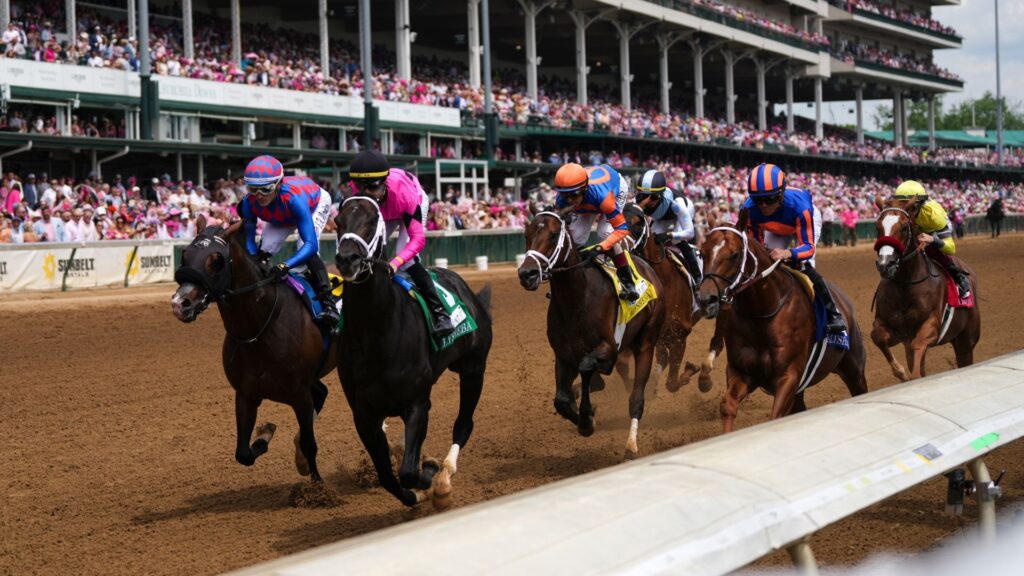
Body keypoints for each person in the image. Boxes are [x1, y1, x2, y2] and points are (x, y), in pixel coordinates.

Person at [347, 149, 455, 337]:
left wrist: (395, 263)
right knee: (367, 250)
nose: (365, 193)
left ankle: (440, 313)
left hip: (408, 203)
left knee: (407, 259)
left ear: (384, 183)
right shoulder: (356, 191)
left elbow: (418, 239)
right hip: (381, 211)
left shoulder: (404, 194)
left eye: (371, 187)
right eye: (360, 187)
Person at [742, 163, 845, 333]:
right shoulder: (749, 210)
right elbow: (757, 249)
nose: (763, 205)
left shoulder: (801, 207)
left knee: (804, 265)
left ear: (781, 194)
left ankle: (833, 314)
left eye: (769, 199)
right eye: (758, 200)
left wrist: (789, 253)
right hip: (776, 229)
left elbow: (808, 248)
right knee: (766, 263)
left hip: (802, 220)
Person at [238, 154, 340, 328]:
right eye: (253, 189)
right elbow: (249, 242)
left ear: (278, 184)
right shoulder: (249, 203)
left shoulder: (294, 199)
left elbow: (310, 244)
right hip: (282, 213)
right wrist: (255, 259)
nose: (260, 196)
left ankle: (329, 303)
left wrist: (284, 265)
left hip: (313, 204)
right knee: (264, 249)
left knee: (305, 248)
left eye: (266, 188)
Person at [553, 162, 639, 301]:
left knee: (605, 233)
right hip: (591, 196)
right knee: (576, 237)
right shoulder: (563, 199)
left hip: (614, 188)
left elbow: (622, 230)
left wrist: (600, 247)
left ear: (584, 189)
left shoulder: (603, 197)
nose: (569, 201)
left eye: (573, 195)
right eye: (565, 196)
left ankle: (628, 282)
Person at [894, 180, 971, 298]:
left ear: (919, 205)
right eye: (902, 205)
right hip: (918, 228)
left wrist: (933, 240)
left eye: (910, 207)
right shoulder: (901, 214)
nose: (906, 211)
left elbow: (951, 249)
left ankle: (958, 276)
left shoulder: (934, 215)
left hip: (934, 230)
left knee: (931, 250)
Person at [634, 169, 702, 283]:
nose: (647, 201)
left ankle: (697, 275)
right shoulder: (637, 200)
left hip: (681, 211)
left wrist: (669, 235)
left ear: (660, 195)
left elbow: (690, 232)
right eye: (644, 196)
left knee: (677, 241)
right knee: (651, 239)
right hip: (661, 216)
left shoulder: (677, 204)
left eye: (653, 197)